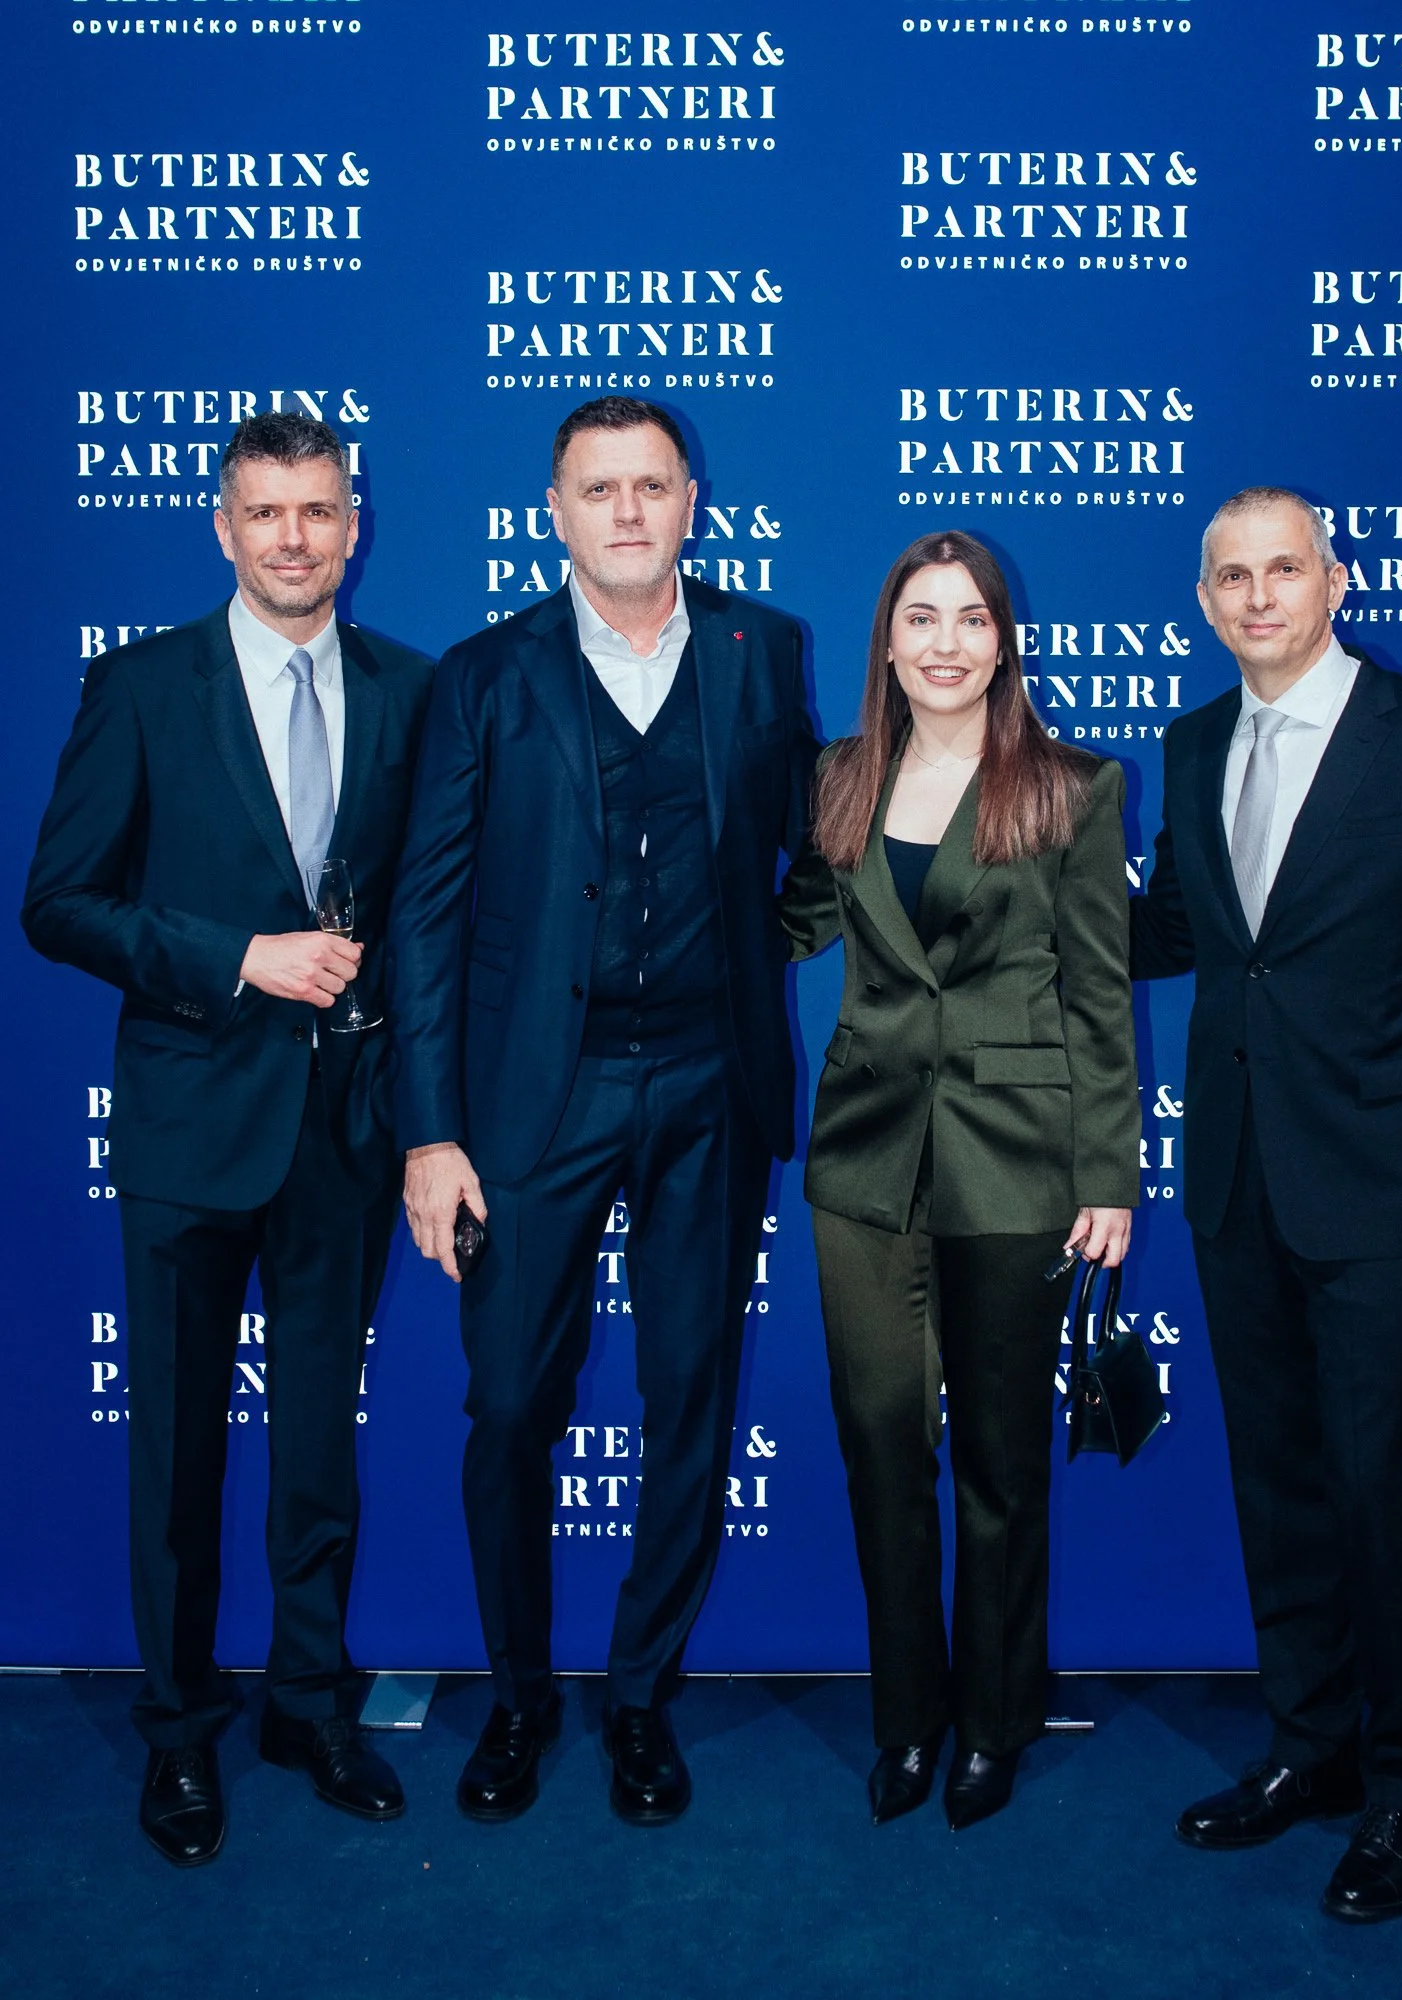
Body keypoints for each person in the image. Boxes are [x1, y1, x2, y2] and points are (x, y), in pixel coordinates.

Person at [389, 396, 819, 1827]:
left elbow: (806, 859)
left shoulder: (767, 654)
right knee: (512, 1402)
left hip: (709, 1082)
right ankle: (518, 1696)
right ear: (555, 511)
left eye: (651, 486)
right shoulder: (486, 676)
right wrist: (431, 1131)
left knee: (689, 1396)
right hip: (532, 1101)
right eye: (597, 489)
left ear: (692, 499)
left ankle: (639, 1700)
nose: (627, 511)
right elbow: (429, 919)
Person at [21, 413, 434, 1865]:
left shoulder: (406, 690)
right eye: (265, 514)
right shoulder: (138, 687)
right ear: (221, 527)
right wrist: (233, 958)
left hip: (344, 1133)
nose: (294, 539)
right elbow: (57, 902)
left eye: (318, 511)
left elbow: (426, 915)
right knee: (180, 1455)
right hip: (190, 1132)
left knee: (319, 1444)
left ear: (354, 522)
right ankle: (182, 1734)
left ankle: (307, 1706)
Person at [1131, 487, 1402, 1922]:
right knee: (1281, 1493)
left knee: (1383, 1501)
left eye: (1283, 570)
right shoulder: (1190, 747)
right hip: (1241, 1184)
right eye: (1231, 576)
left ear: (1334, 579)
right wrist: (995, 885)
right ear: (1204, 601)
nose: (1257, 597)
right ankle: (1306, 1751)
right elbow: (1181, 932)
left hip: (1390, 1201)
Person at [781, 530, 1139, 1831]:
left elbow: (1101, 994)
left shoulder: (1073, 789)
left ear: (1004, 639)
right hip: (863, 1159)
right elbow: (784, 922)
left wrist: (1108, 1173)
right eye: (920, 618)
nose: (944, 642)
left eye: (970, 619)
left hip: (1021, 1161)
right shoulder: (838, 778)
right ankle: (907, 1720)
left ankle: (995, 1721)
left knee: (999, 1463)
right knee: (883, 1451)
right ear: (886, 641)